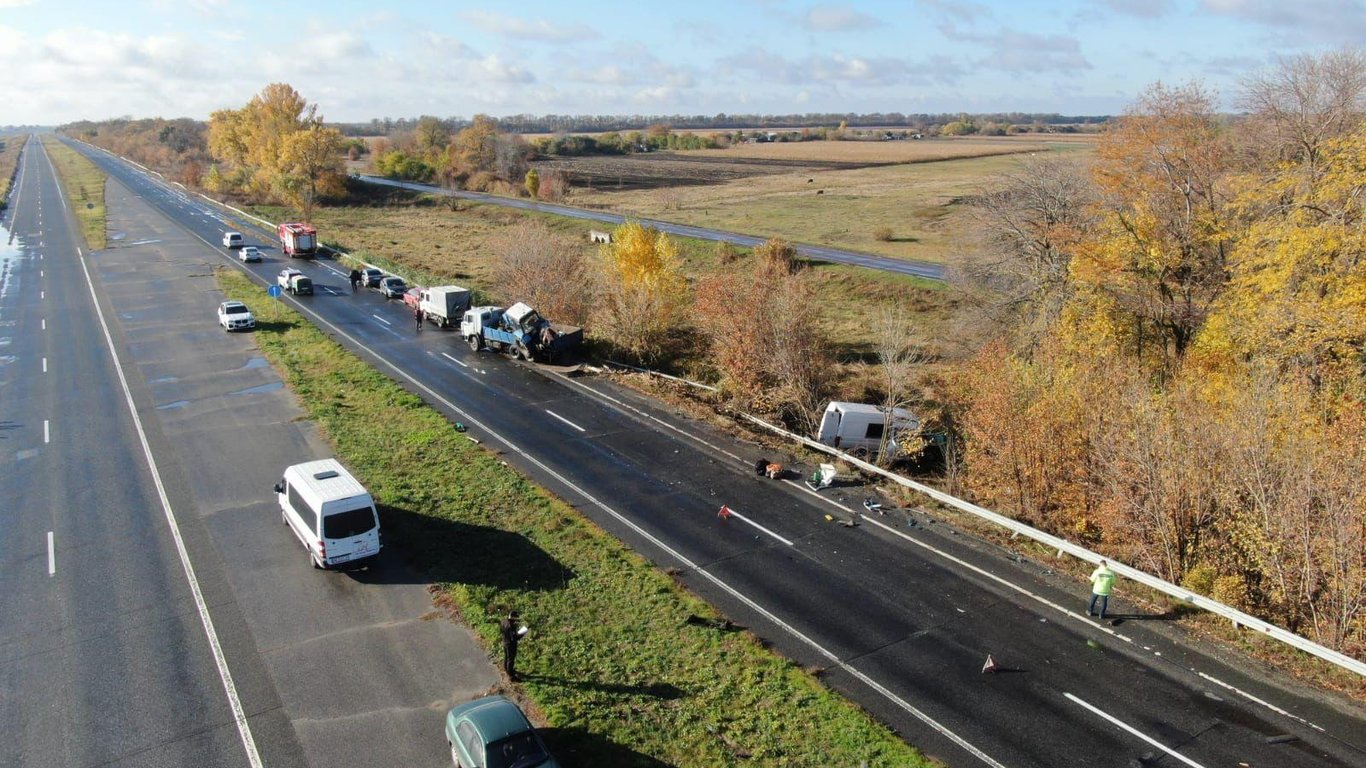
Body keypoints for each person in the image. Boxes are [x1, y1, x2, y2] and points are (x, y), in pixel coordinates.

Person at [500, 610, 523, 681]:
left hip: (504, 641)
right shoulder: (511, 626)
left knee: (506, 657)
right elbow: (514, 638)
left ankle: (506, 669)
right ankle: (511, 676)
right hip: (510, 645)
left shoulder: (503, 621)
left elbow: (501, 630)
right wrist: (522, 633)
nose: (516, 621)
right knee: (511, 659)